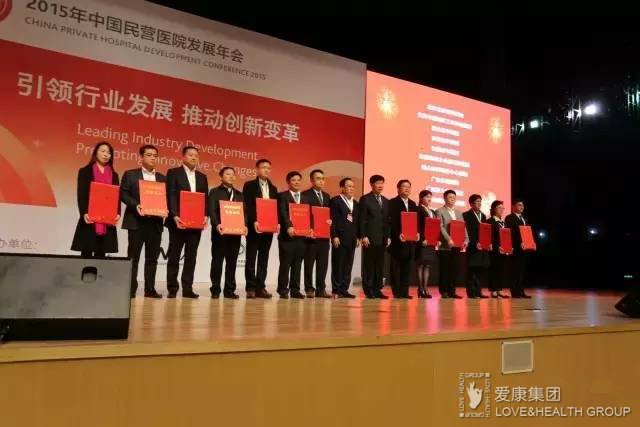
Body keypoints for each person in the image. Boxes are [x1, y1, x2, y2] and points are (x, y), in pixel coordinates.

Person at [120, 144, 166, 298]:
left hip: (155, 223)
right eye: (149, 155)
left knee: (152, 259)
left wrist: (165, 209)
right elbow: (123, 194)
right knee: (133, 258)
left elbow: (166, 199)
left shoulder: (162, 178)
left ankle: (150, 289)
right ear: (141, 157)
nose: (152, 158)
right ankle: (130, 289)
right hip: (136, 221)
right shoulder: (130, 174)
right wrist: (136, 205)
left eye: (155, 155)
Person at [165, 146, 208, 299]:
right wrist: (174, 215)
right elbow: (170, 195)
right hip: (178, 222)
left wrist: (206, 215)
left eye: (196, 155)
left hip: (195, 223)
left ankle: (187, 288)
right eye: (190, 155)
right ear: (183, 156)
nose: (194, 157)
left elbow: (205, 199)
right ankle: (172, 288)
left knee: (191, 257)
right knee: (174, 256)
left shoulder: (202, 177)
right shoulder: (173, 172)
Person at [71, 141, 120, 258]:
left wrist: (117, 212)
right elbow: (81, 194)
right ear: (96, 153)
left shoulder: (114, 175)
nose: (106, 154)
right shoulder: (85, 171)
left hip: (107, 218)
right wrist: (84, 212)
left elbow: (117, 195)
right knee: (86, 251)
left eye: (109, 152)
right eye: (103, 151)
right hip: (90, 216)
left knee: (102, 253)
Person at [208, 166, 247, 299]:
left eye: (232, 174)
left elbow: (244, 213)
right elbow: (212, 210)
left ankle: (229, 290)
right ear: (221, 176)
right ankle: (215, 289)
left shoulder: (239, 194)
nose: (231, 176)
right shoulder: (214, 192)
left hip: (235, 234)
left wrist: (245, 225)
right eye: (227, 174)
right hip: (220, 233)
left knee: (232, 263)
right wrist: (217, 224)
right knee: (217, 262)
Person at [242, 159, 277, 299]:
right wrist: (254, 221)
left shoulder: (273, 188)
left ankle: (260, 287)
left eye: (268, 167)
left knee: (264, 259)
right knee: (251, 258)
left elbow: (274, 208)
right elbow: (248, 206)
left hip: (268, 229)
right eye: (263, 167)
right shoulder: (249, 185)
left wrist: (276, 223)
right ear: (257, 169)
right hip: (254, 228)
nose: (266, 170)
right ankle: (250, 288)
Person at [358, 175, 391, 299]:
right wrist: (363, 236)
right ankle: (369, 290)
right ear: (371, 184)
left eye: (382, 183)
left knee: (379, 265)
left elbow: (387, 221)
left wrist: (388, 236)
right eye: (378, 183)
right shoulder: (365, 199)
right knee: (369, 265)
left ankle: (377, 290)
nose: (380, 185)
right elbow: (362, 220)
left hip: (382, 239)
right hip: (370, 238)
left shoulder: (386, 201)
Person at [301, 169, 332, 298]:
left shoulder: (327, 196)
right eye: (318, 178)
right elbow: (303, 215)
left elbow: (329, 214)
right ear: (312, 180)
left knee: (322, 264)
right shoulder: (305, 195)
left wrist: (330, 221)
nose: (321, 181)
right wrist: (307, 229)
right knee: (309, 264)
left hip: (324, 236)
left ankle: (321, 289)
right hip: (311, 236)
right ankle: (309, 288)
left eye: (322, 178)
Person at [276, 171, 306, 299]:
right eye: (293, 180)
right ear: (288, 182)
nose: (296, 182)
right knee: (285, 264)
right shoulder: (282, 196)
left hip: (301, 236)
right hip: (287, 236)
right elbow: (282, 212)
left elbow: (308, 215)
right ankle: (282, 289)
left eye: (298, 180)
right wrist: (288, 226)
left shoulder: (305, 197)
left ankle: (295, 290)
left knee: (297, 264)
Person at [388, 180, 419, 299]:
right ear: (398, 189)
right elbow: (391, 222)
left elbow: (415, 221)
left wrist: (417, 233)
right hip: (397, 241)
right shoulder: (392, 202)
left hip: (410, 241)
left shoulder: (412, 204)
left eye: (409, 187)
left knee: (407, 268)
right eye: (404, 186)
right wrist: (398, 234)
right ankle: (397, 292)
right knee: (396, 268)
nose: (407, 189)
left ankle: (404, 292)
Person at [436, 189, 468, 299]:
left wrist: (466, 240)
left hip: (457, 245)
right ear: (445, 198)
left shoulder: (459, 212)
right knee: (445, 269)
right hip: (445, 245)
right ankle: (444, 291)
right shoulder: (439, 211)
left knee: (454, 269)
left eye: (454, 197)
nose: (452, 199)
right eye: (450, 197)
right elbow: (440, 226)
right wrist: (449, 239)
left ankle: (452, 291)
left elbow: (463, 227)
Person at [330, 178, 359, 298]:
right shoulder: (336, 201)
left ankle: (344, 289)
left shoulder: (355, 203)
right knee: (338, 264)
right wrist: (334, 235)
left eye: (353, 186)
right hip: (340, 237)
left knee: (348, 265)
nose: (351, 188)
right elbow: (332, 220)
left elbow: (357, 222)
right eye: (349, 186)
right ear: (342, 188)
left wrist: (357, 237)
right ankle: (336, 290)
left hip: (351, 238)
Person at [462, 194, 490, 299]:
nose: (479, 203)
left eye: (480, 201)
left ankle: (478, 291)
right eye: (477, 201)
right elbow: (467, 232)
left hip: (482, 247)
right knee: (471, 270)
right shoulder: (466, 215)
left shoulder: (483, 216)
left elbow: (485, 231)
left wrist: (487, 243)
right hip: (472, 246)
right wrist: (474, 243)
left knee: (479, 270)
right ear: (471, 203)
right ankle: (471, 292)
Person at [505, 198, 532, 298]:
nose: (522, 207)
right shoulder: (509, 218)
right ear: (513, 206)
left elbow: (527, 232)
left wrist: (530, 242)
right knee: (514, 271)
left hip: (525, 249)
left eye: (522, 205)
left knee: (521, 271)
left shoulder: (524, 218)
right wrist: (519, 243)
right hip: (515, 248)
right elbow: (511, 233)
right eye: (519, 205)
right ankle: (515, 292)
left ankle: (521, 291)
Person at [415, 190, 439, 298]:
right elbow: (417, 226)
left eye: (430, 197)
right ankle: (420, 289)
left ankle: (425, 289)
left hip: (431, 242)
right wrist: (422, 239)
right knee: (420, 265)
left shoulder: (432, 211)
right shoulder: (418, 209)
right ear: (421, 198)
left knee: (427, 266)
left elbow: (435, 227)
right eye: (426, 197)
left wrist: (437, 239)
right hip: (423, 242)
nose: (429, 199)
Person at [487, 200, 511, 298]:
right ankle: (493, 290)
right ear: (494, 209)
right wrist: (497, 247)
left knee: (501, 270)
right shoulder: (490, 221)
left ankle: (499, 289)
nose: (501, 210)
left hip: (504, 250)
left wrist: (509, 247)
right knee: (494, 270)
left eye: (502, 208)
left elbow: (507, 236)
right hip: (494, 250)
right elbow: (490, 237)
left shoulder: (503, 222)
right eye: (499, 208)